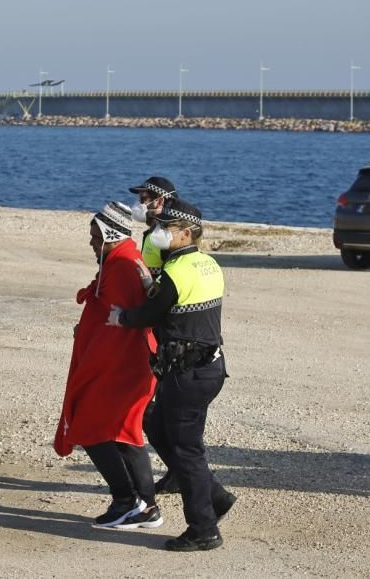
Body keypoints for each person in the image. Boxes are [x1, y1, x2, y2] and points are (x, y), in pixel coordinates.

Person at [107, 199, 237, 552]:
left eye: (166, 227)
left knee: (187, 452)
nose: (160, 231)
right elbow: (172, 301)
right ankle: (216, 496)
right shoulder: (208, 264)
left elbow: (148, 313)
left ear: (185, 233)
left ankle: (203, 529)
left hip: (188, 374)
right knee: (156, 425)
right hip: (208, 368)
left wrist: (120, 317)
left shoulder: (175, 273)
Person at [54, 201, 162, 529]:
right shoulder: (119, 261)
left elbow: (128, 323)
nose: (91, 244)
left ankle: (130, 502)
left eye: (95, 237)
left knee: (95, 428)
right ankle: (141, 505)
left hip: (121, 368)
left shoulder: (124, 266)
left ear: (110, 234)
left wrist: (94, 363)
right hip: (119, 366)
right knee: (121, 432)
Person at [128, 175, 181, 495]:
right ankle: (177, 468)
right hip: (153, 324)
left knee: (157, 407)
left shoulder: (166, 237)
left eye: (147, 197)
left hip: (163, 329)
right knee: (156, 407)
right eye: (141, 197)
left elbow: (168, 282)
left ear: (163, 201)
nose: (141, 203)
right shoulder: (153, 233)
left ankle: (181, 469)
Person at [128, 176, 178, 277]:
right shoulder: (155, 231)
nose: (139, 204)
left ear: (159, 202)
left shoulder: (166, 236)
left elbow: (173, 276)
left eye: (143, 199)